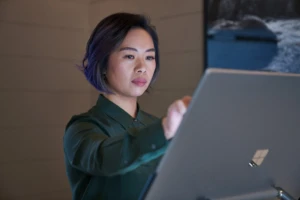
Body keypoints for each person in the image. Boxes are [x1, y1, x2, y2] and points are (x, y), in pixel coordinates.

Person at [63, 12, 191, 200]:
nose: (142, 67)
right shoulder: (81, 129)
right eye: (130, 56)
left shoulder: (155, 124)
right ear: (103, 62)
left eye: (149, 57)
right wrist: (165, 129)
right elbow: (104, 158)